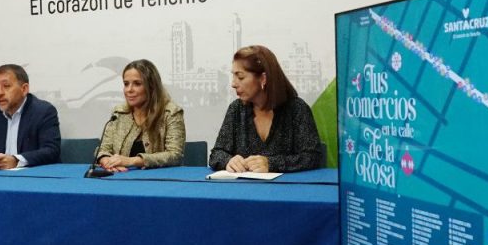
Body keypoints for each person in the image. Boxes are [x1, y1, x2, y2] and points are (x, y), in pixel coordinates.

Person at [209, 45, 323, 173]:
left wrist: (271, 164)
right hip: (243, 185)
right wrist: (228, 161)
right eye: (233, 76)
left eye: (240, 77)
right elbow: (216, 154)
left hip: (288, 185)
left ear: (263, 78)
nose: (233, 84)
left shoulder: (297, 109)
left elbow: (313, 157)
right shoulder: (236, 109)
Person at [95, 59, 185, 172]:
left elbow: (175, 155)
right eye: (126, 84)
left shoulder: (171, 113)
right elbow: (103, 150)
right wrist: (107, 162)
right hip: (121, 177)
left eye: (137, 84)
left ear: (151, 86)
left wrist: (131, 161)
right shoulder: (119, 113)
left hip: (159, 178)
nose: (129, 90)